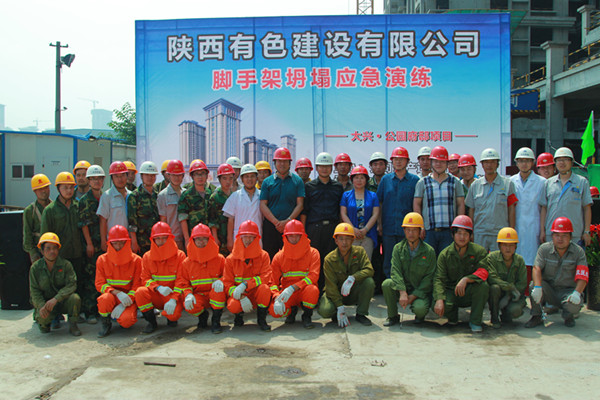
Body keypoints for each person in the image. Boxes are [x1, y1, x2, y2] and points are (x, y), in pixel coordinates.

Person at [526, 217, 588, 328]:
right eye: (557, 235)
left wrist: (577, 293)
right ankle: (537, 316)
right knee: (533, 285)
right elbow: (536, 268)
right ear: (552, 236)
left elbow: (582, 275)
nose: (560, 239)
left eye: (564, 235)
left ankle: (568, 315)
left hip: (568, 291)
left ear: (570, 237)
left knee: (574, 304)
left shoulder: (578, 252)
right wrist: (538, 287)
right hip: (549, 290)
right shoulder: (544, 249)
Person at [40, 172, 85, 322]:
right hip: (59, 256)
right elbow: (45, 236)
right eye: (65, 187)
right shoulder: (50, 210)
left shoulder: (78, 206)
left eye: (71, 187)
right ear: (58, 188)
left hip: (77, 253)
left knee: (77, 284)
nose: (69, 190)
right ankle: (55, 315)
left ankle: (75, 315)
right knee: (56, 287)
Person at [433, 215, 489, 333]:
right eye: (459, 233)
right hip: (451, 292)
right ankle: (452, 318)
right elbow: (439, 279)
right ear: (453, 234)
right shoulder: (445, 254)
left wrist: (466, 279)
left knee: (483, 287)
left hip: (469, 292)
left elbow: (483, 271)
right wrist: (439, 299)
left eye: (465, 234)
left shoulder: (479, 251)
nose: (462, 237)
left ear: (470, 236)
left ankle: (475, 321)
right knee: (442, 304)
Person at [381, 213, 436, 326]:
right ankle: (392, 316)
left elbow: (429, 277)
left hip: (419, 291)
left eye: (414, 230)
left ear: (420, 231)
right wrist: (402, 292)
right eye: (408, 230)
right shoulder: (398, 248)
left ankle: (420, 316)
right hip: (403, 287)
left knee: (420, 309)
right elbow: (395, 271)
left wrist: (414, 295)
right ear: (404, 231)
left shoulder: (429, 251)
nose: (411, 233)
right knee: (387, 284)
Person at [317, 223, 375, 327]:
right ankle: (335, 312)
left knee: (369, 282)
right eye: (341, 239)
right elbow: (331, 286)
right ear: (336, 241)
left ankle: (361, 314)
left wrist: (353, 278)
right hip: (336, 293)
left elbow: (369, 270)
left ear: (353, 240)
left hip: (353, 292)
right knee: (325, 310)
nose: (344, 242)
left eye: (348, 239)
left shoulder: (360, 252)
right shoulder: (329, 259)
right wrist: (339, 306)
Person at [301, 152, 344, 291]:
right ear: (317, 168)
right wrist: (304, 232)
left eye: (327, 166)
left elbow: (340, 211)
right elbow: (304, 211)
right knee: (315, 261)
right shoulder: (309, 187)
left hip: (332, 228)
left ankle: (330, 291)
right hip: (314, 229)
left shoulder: (338, 187)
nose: (324, 169)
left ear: (332, 168)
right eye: (321, 166)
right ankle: (315, 291)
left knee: (331, 261)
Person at [175, 223, 227, 333]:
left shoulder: (220, 259)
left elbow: (228, 276)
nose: (201, 241)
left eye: (204, 238)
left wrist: (221, 281)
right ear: (193, 240)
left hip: (214, 293)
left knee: (218, 293)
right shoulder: (186, 262)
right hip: (198, 295)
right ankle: (202, 316)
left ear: (210, 239)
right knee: (189, 305)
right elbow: (183, 282)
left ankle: (216, 321)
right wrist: (188, 294)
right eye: (198, 239)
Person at [413, 146, 465, 255]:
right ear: (431, 162)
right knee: (428, 260)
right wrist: (420, 226)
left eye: (442, 161)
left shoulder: (455, 182)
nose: (438, 164)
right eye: (436, 161)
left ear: (447, 163)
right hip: (429, 232)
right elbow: (417, 204)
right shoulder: (423, 182)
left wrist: (459, 227)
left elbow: (460, 204)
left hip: (449, 232)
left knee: (447, 260)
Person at [377, 147, 419, 278]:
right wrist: (379, 224)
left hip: (408, 230)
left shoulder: (414, 180)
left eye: (402, 159)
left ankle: (406, 285)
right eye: (396, 159)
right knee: (388, 260)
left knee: (407, 259)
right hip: (388, 227)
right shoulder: (386, 180)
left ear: (408, 162)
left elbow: (417, 204)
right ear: (392, 162)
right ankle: (390, 285)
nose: (398, 162)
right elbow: (379, 203)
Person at [135, 222, 186, 333]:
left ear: (170, 238)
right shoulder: (147, 256)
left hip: (172, 295)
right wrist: (158, 288)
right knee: (140, 292)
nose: (161, 241)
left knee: (173, 315)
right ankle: (151, 322)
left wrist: (173, 299)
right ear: (153, 240)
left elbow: (181, 280)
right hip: (156, 294)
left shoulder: (180, 255)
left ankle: (171, 319)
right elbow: (145, 279)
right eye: (157, 238)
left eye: (164, 238)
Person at [222, 220, 273, 331]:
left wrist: (246, 284)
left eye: (251, 237)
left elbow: (266, 277)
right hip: (239, 296)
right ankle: (238, 317)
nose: (248, 240)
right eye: (245, 236)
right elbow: (227, 283)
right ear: (240, 237)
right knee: (233, 305)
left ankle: (262, 319)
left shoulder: (263, 256)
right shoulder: (230, 259)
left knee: (265, 289)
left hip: (256, 294)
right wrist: (240, 296)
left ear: (256, 238)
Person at [269, 220, 320, 328]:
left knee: (313, 290)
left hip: (304, 290)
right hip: (287, 293)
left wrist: (294, 287)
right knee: (274, 311)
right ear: (285, 237)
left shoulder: (313, 253)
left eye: (297, 235)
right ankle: (291, 312)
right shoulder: (279, 256)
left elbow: (313, 276)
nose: (294, 239)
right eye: (291, 236)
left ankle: (307, 315)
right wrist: (276, 297)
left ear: (303, 236)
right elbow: (272, 282)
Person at [465, 148, 518, 251]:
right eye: (486, 162)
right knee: (480, 259)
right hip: (480, 232)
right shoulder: (475, 185)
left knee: (498, 260)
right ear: (482, 165)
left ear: (497, 164)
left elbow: (511, 209)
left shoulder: (508, 184)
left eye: (492, 162)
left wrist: (511, 231)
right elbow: (471, 210)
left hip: (500, 232)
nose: (489, 165)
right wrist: (471, 232)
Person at [29, 232, 81, 336]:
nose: (52, 251)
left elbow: (71, 285)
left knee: (75, 298)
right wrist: (41, 306)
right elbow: (34, 291)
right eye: (48, 248)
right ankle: (46, 323)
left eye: (54, 248)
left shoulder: (66, 265)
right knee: (44, 329)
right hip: (46, 304)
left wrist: (56, 299)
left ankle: (73, 324)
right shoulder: (35, 268)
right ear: (42, 251)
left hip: (62, 302)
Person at [95, 225, 142, 337]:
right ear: (109, 243)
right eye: (115, 243)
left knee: (127, 321)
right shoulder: (102, 260)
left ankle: (122, 317)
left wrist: (125, 303)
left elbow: (137, 286)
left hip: (128, 299)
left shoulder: (136, 260)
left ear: (127, 242)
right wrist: (116, 293)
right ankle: (105, 323)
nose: (118, 246)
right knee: (104, 299)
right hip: (111, 296)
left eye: (122, 242)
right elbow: (100, 284)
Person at [539, 147, 592, 246]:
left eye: (566, 159)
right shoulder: (548, 183)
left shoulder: (582, 182)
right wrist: (542, 231)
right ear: (555, 163)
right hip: (552, 233)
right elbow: (544, 208)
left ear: (572, 162)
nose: (562, 163)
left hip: (574, 234)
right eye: (559, 160)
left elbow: (587, 208)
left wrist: (586, 231)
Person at [510, 147, 546, 292]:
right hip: (517, 226)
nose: (524, 164)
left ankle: (531, 292)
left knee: (533, 260)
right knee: (516, 261)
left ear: (532, 163)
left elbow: (543, 208)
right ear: (516, 163)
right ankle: (518, 293)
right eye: (521, 161)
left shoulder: (542, 182)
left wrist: (542, 230)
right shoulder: (511, 181)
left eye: (527, 161)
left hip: (534, 226)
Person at [260, 147, 305, 259]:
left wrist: (287, 221)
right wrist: (276, 222)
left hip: (292, 227)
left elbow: (300, 205)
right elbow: (263, 204)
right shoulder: (267, 182)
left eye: (285, 161)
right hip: (271, 226)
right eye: (279, 161)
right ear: (275, 163)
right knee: (270, 257)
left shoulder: (297, 181)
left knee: (292, 257)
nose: (282, 164)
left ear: (290, 163)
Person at [482, 227, 527, 329]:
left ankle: (506, 316)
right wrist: (509, 287)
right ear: (499, 246)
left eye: (511, 245)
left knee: (515, 310)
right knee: (494, 288)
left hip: (514, 295)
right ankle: (494, 317)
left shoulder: (519, 260)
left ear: (515, 246)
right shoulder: (492, 258)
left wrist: (509, 296)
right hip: (498, 294)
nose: (508, 248)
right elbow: (492, 277)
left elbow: (522, 283)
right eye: (505, 245)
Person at [78, 165, 106, 323]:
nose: (97, 181)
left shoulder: (105, 197)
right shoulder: (84, 200)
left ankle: (103, 309)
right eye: (93, 179)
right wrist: (89, 243)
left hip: (103, 244)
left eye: (99, 178)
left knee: (103, 277)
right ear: (89, 181)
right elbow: (84, 224)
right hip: (92, 245)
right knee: (91, 277)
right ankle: (90, 311)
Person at [340, 165, 380, 260]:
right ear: (352, 180)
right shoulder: (346, 195)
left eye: (362, 178)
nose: (359, 180)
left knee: (366, 262)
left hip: (368, 234)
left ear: (366, 180)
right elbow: (343, 213)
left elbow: (375, 214)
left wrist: (365, 229)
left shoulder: (373, 196)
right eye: (356, 178)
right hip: (351, 235)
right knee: (351, 262)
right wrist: (353, 229)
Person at [223, 164, 263, 253]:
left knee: (256, 258)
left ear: (257, 178)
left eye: (252, 176)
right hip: (239, 236)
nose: (249, 179)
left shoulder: (262, 195)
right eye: (246, 176)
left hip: (257, 236)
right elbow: (230, 220)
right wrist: (229, 240)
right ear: (242, 179)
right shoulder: (235, 196)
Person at [127, 161, 160, 255]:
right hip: (141, 242)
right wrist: (134, 242)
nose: (150, 178)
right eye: (147, 175)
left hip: (156, 241)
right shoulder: (135, 196)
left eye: (152, 175)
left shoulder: (157, 195)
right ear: (141, 176)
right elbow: (132, 222)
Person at [98, 161, 131, 252]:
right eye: (116, 176)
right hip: (113, 242)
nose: (120, 179)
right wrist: (103, 241)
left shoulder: (131, 195)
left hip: (128, 241)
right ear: (112, 178)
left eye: (122, 175)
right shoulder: (107, 196)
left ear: (127, 176)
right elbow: (103, 220)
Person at [178, 159, 213, 246]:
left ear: (207, 175)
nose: (200, 177)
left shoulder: (210, 194)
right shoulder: (186, 195)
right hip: (193, 238)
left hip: (208, 237)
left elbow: (214, 218)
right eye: (197, 174)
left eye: (202, 173)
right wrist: (187, 239)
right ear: (192, 176)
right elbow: (183, 218)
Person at [23, 174, 52, 264]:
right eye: (40, 189)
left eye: (45, 187)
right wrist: (33, 254)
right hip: (38, 252)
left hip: (55, 250)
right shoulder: (30, 211)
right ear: (35, 191)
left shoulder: (54, 207)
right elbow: (27, 235)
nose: (43, 191)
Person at [157, 159, 186, 249]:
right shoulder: (163, 195)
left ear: (183, 176)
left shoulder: (186, 194)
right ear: (168, 176)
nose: (176, 178)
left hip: (186, 238)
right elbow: (163, 220)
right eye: (174, 175)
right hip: (172, 239)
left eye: (179, 175)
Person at [208, 163, 235, 256]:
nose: (228, 181)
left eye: (230, 178)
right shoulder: (215, 197)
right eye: (224, 178)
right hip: (220, 235)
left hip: (233, 235)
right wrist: (215, 238)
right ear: (219, 179)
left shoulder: (235, 195)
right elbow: (212, 220)